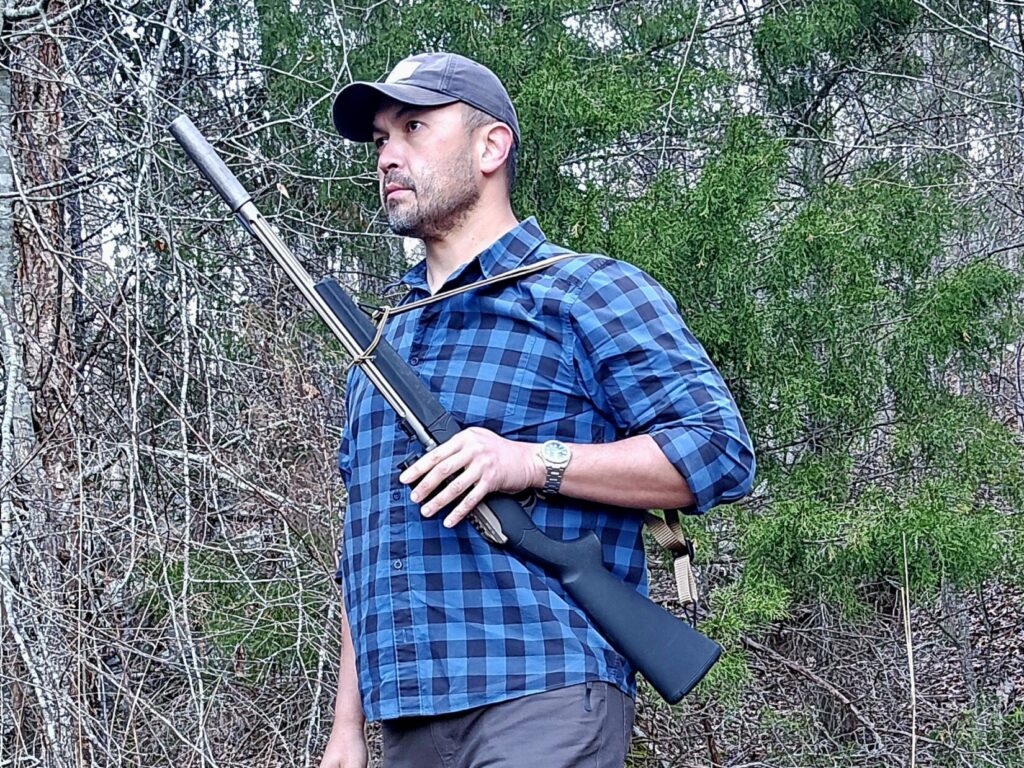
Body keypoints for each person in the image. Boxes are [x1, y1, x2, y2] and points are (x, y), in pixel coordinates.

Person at [320, 52, 755, 768]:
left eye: (415, 127)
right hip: (409, 720)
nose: (389, 154)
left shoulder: (586, 292)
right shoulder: (382, 338)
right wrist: (347, 725)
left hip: (542, 687)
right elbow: (365, 535)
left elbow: (718, 450)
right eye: (379, 141)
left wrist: (527, 462)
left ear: (492, 147)